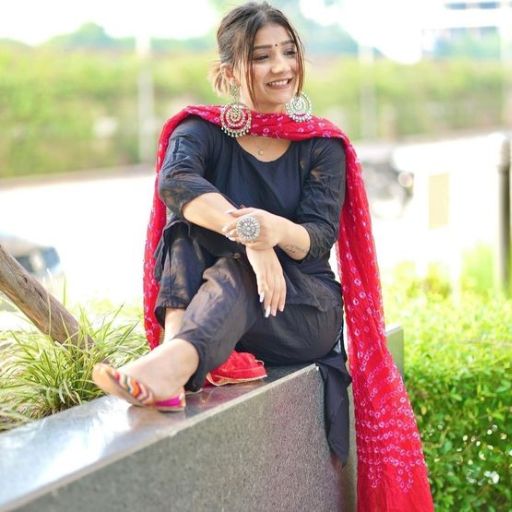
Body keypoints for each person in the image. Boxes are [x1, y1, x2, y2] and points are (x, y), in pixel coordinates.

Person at [93, 2, 434, 510]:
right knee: (186, 227)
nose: (281, 67)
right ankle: (177, 359)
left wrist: (267, 232)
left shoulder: (322, 145)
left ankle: (171, 365)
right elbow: (176, 183)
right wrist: (250, 237)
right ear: (229, 70)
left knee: (229, 263)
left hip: (302, 312)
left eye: (288, 52)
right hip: (225, 307)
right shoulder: (200, 131)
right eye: (261, 57)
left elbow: (317, 238)